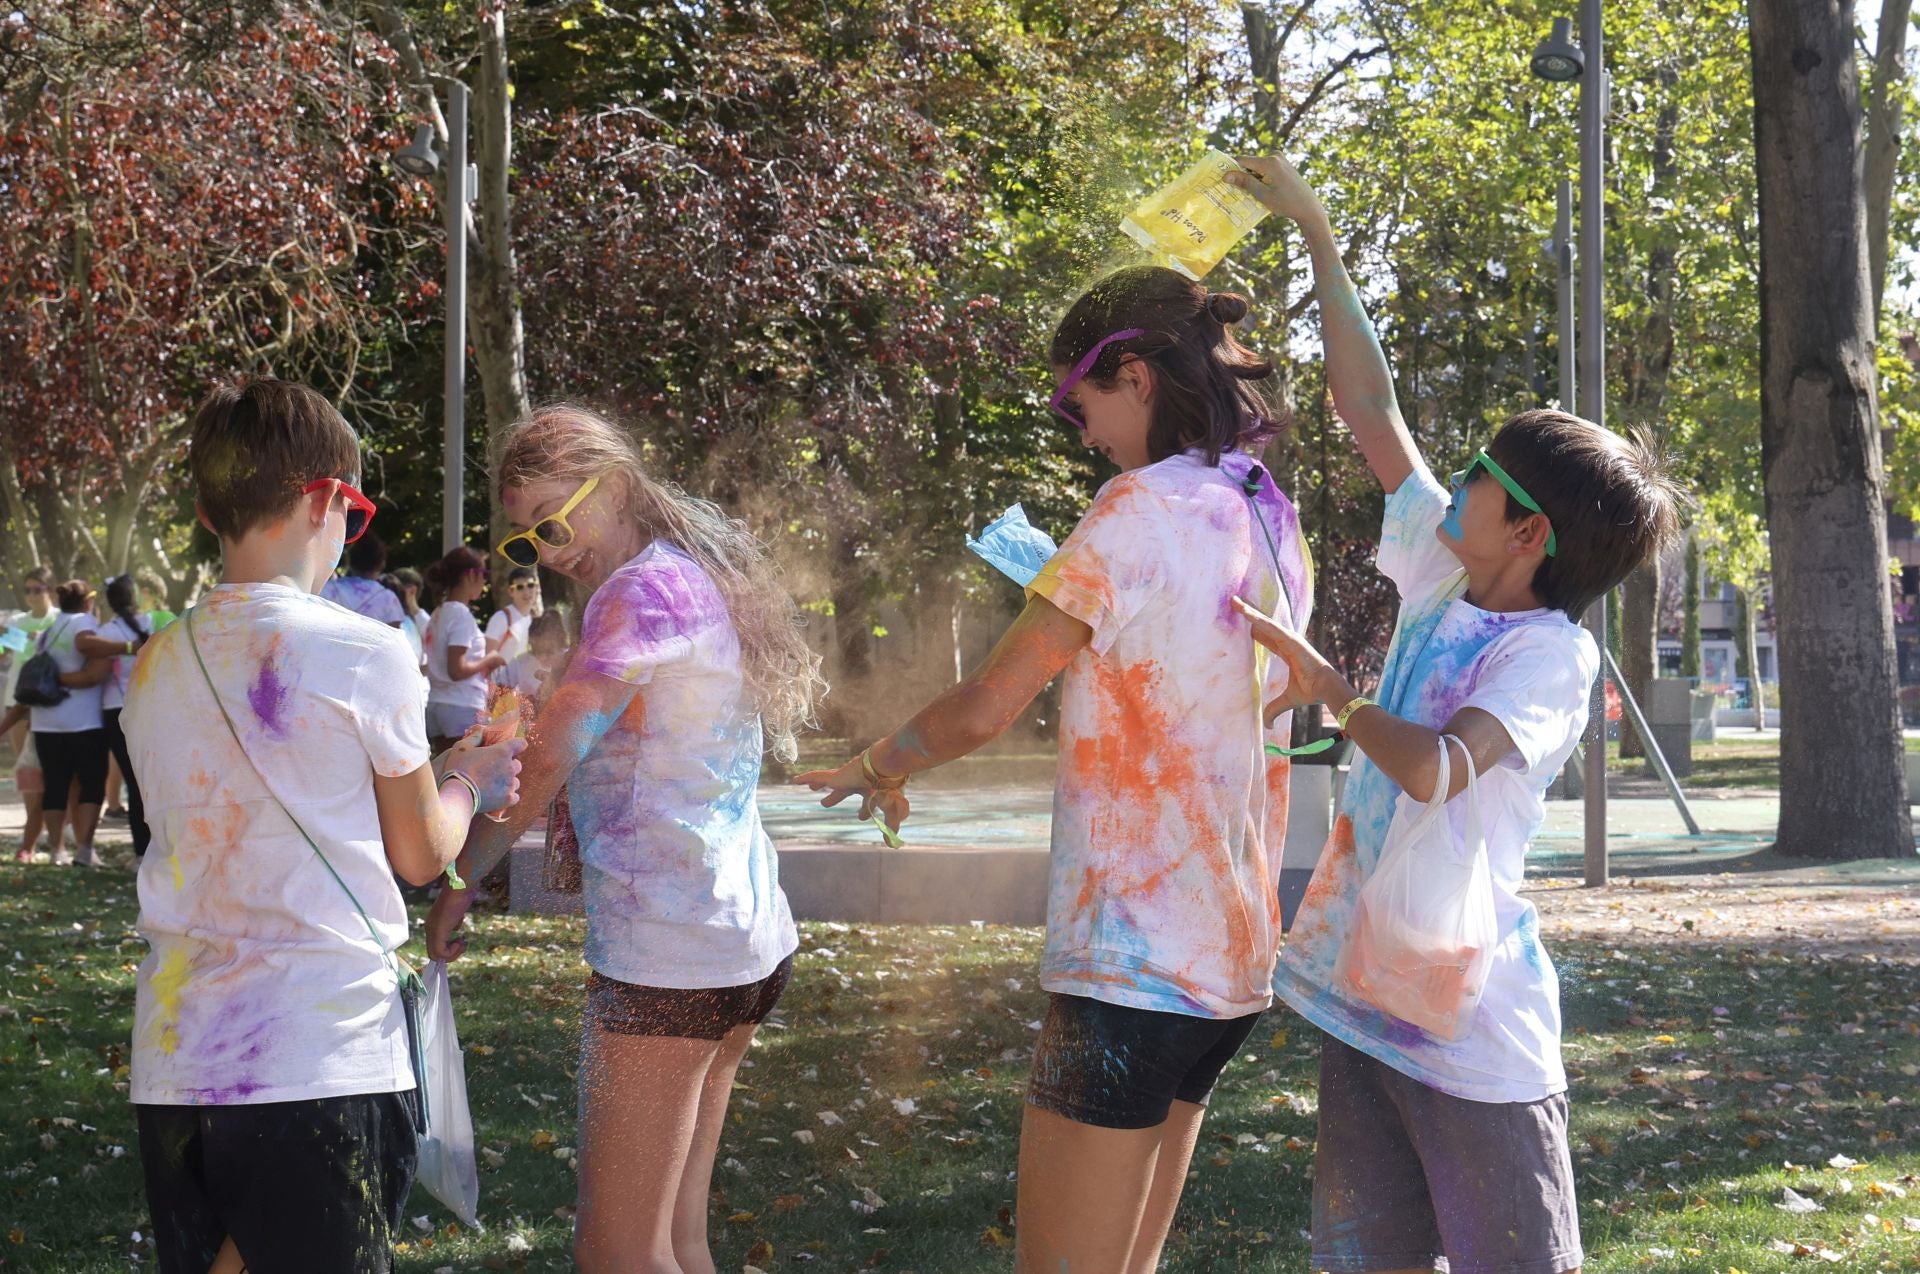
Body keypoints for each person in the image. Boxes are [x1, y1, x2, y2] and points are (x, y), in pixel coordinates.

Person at [797, 265, 1311, 1274]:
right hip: (1231, 963)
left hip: (1131, 961)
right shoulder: (1264, 506)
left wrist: (877, 758)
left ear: (1133, 373)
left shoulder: (1133, 509)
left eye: (1076, 405)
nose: (1081, 433)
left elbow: (990, 700)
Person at [1226, 154, 1684, 1274]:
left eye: (1479, 470)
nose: (1458, 477)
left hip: (1477, 1041)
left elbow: (1437, 767)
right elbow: (1367, 403)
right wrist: (1321, 235)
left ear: (1528, 532)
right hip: (1364, 1001)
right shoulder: (1442, 573)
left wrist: (1335, 690)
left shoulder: (1548, 656)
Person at [123, 376, 524, 1274]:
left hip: (178, 1059)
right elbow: (423, 851)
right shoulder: (362, 650)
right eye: (357, 504)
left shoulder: (152, 665)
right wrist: (469, 775)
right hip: (319, 1053)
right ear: (322, 499)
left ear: (206, 508)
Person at [424, 403, 824, 1274]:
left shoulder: (637, 592)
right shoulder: (688, 576)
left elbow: (546, 759)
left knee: (615, 1254)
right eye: (527, 542)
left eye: (555, 522)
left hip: (669, 955)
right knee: (674, 1242)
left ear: (618, 485)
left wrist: (458, 880)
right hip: (739, 940)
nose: (550, 552)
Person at [0, 579, 113, 867]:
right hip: (83, 721)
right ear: (87, 602)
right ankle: (85, 849)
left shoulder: (46, 632)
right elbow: (91, 670)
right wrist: (128, 645)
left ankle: (57, 850)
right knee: (89, 784)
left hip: (45, 721)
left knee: (55, 786)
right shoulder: (83, 623)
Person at [80, 574, 154, 858]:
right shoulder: (151, 623)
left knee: (135, 784)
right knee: (149, 782)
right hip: (150, 709)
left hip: (117, 712)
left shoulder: (107, 632)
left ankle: (141, 854)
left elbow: (86, 650)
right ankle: (155, 851)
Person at [422, 547, 507, 750]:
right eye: (484, 574)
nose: (485, 581)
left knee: (445, 774)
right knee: (464, 776)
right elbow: (457, 670)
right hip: (461, 706)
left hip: (436, 705)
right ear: (471, 574)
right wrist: (490, 659)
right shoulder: (461, 615)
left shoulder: (437, 613)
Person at [2, 566, 59, 861]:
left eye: (38, 589)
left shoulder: (59, 620)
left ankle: (50, 838)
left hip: (47, 703)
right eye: (28, 590)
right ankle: (31, 839)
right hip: (16, 702)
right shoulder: (18, 621)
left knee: (50, 773)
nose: (33, 596)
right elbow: (4, 654)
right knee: (27, 773)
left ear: (50, 589)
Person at [320, 530, 406, 627]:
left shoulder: (326, 589)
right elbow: (394, 638)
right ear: (381, 564)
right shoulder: (389, 599)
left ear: (350, 561)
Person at [497, 608, 569, 705]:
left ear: (557, 635)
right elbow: (501, 691)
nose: (544, 643)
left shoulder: (569, 657)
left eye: (547, 637)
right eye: (535, 637)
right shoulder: (518, 663)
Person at [484, 564, 542, 660]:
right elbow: (488, 657)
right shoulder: (500, 618)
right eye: (520, 587)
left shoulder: (535, 619)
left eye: (531, 585)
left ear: (537, 588)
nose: (526, 591)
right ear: (511, 591)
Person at [388, 566, 432, 669]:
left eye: (396, 590)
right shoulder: (393, 616)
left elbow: (432, 663)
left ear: (412, 591)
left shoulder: (426, 622)